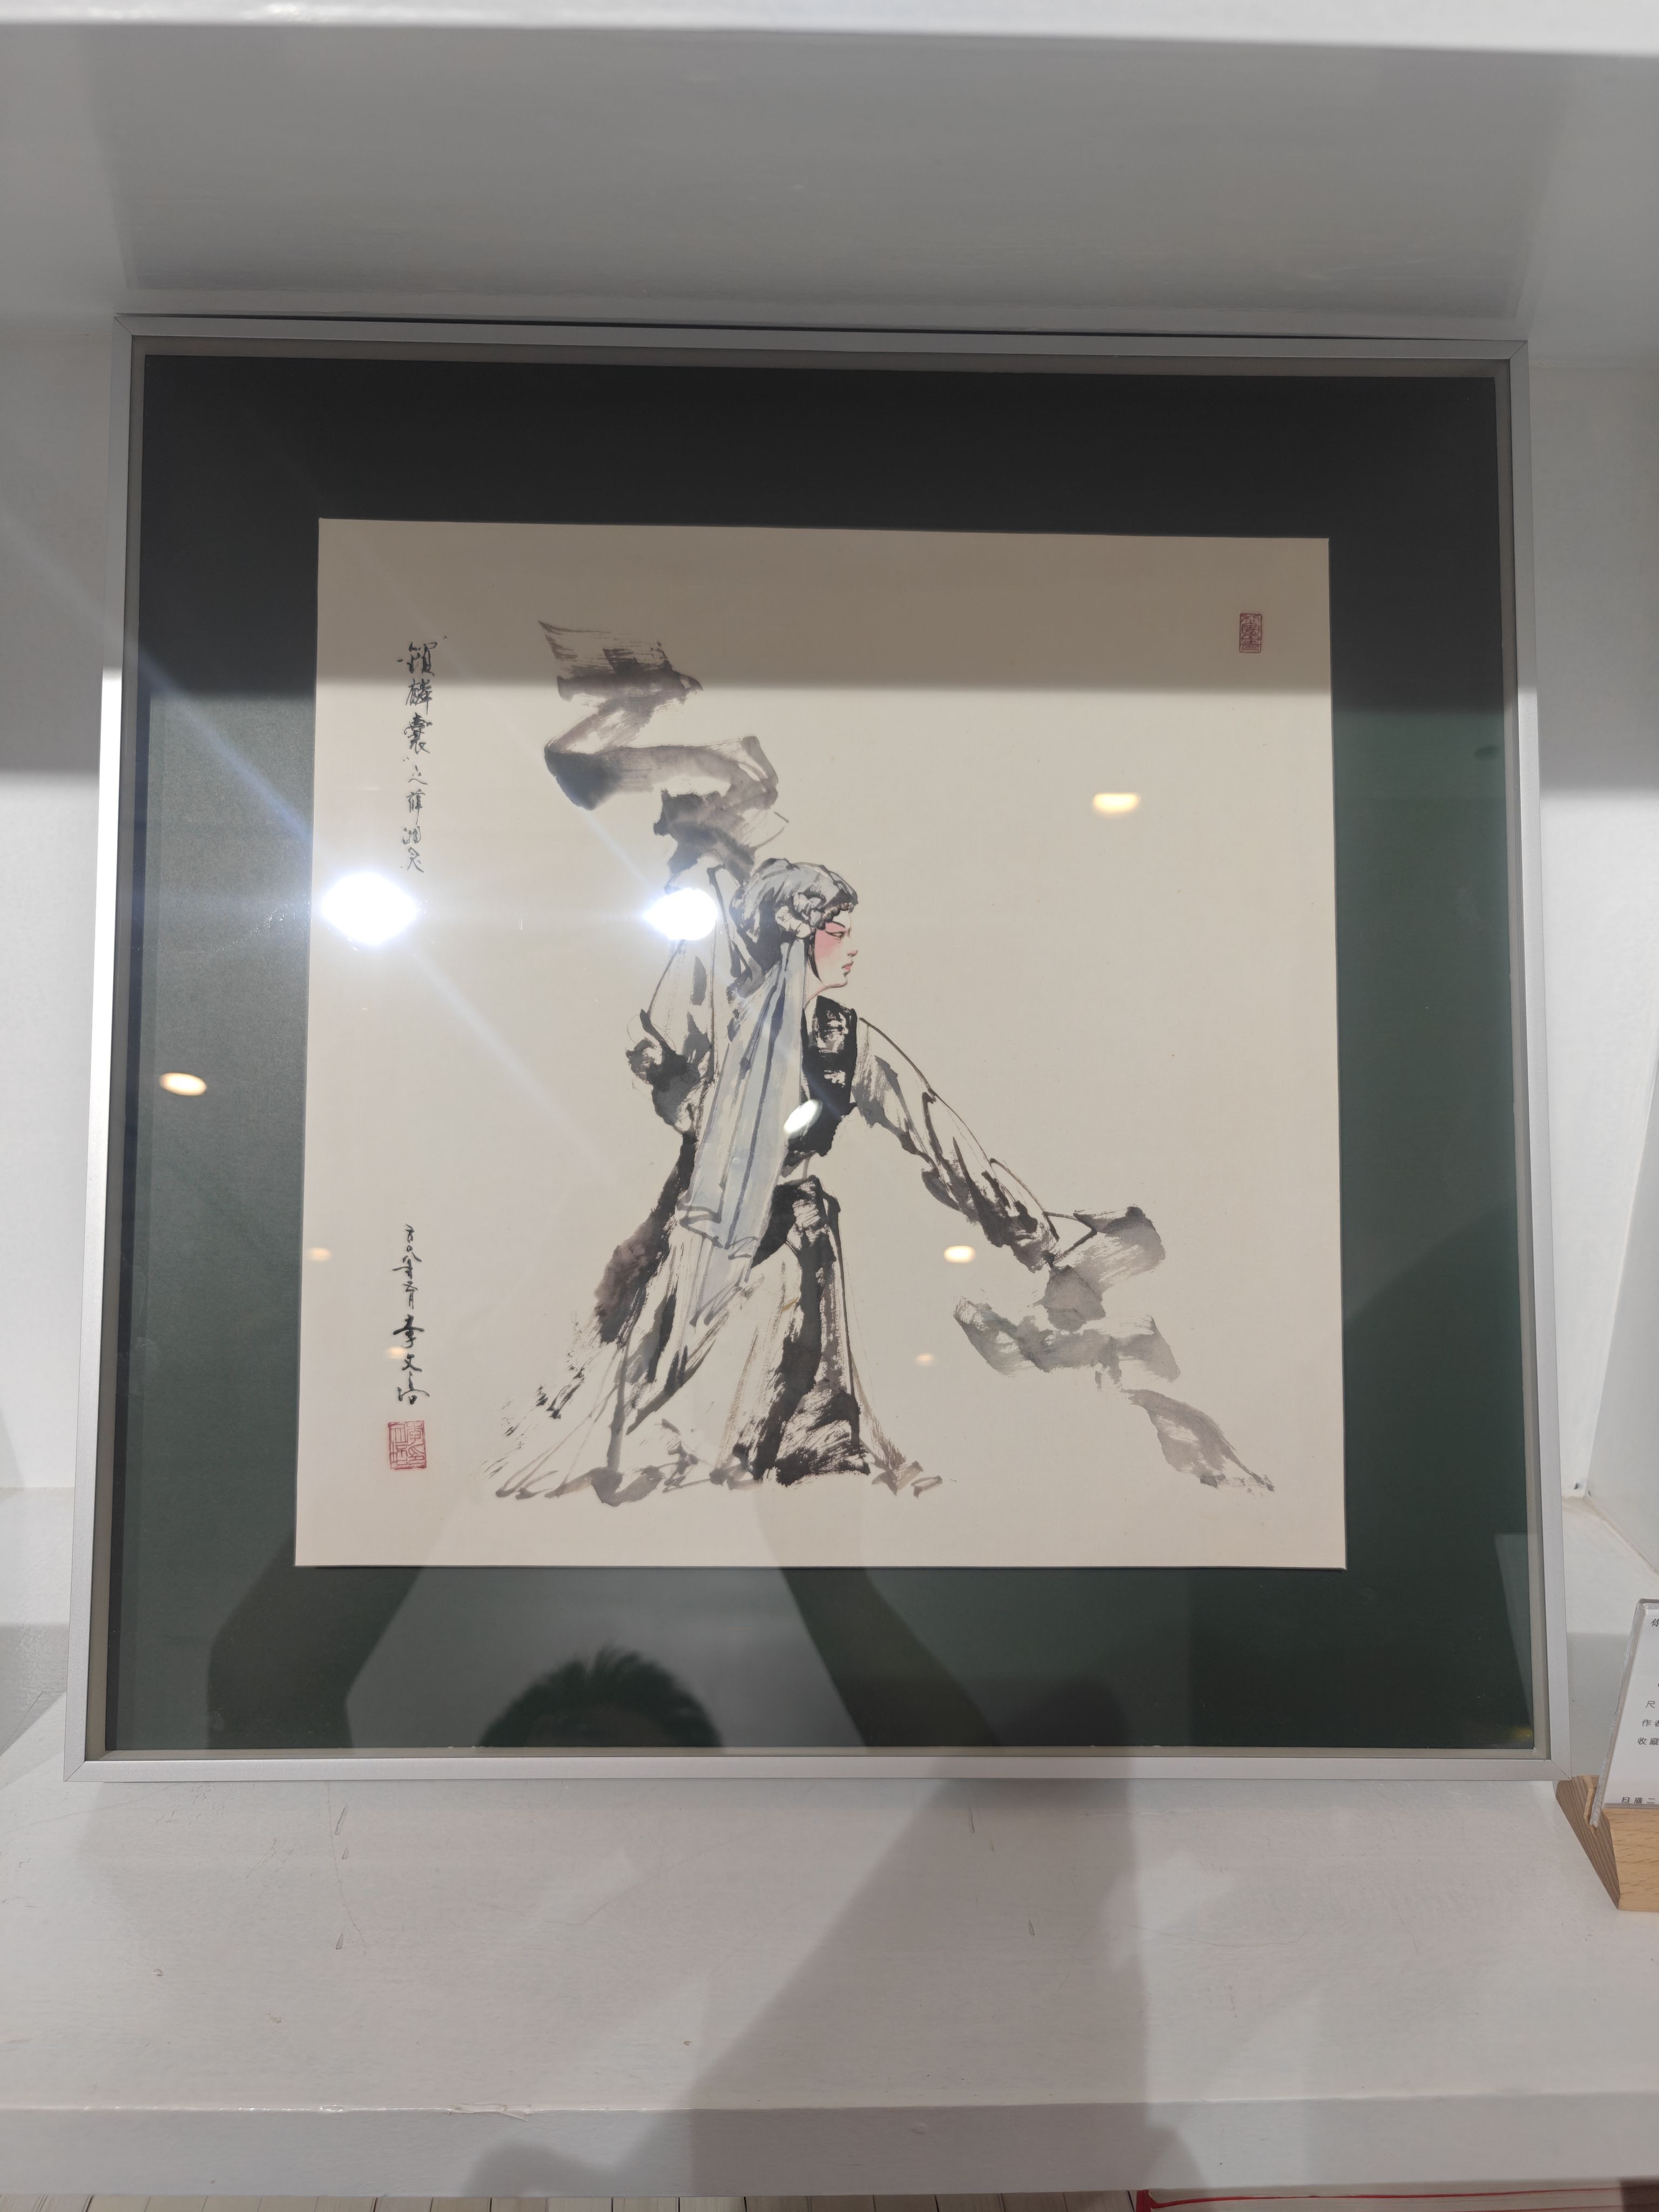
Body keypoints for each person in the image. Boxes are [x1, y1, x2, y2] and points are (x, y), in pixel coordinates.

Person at [484, 625, 1264, 1507]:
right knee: (668, 1425)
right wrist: (691, 1097)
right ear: (798, 938)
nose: (850, 945)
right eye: (835, 930)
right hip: (700, 1239)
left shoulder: (844, 1041)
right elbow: (662, 1055)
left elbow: (942, 1139)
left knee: (793, 1425)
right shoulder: (719, 1009)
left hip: (793, 1239)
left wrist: (1039, 1239)